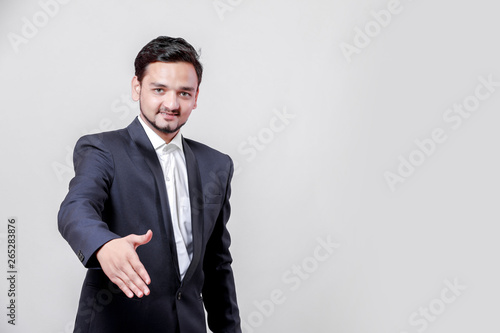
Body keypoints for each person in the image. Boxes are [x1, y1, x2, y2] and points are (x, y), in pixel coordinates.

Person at [58, 36, 241, 333]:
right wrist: (104, 244)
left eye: (184, 93)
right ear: (137, 88)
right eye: (159, 90)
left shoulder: (217, 165)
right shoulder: (102, 150)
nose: (171, 104)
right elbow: (76, 209)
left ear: (196, 97)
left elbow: (217, 267)